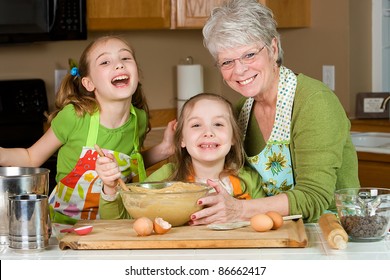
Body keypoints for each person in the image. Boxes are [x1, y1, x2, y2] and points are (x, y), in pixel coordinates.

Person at [190, 0, 359, 224]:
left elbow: (315, 197)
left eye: (249, 55)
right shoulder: (242, 110)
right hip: (277, 231)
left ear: (274, 49)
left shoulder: (314, 102)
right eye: (227, 62)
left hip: (331, 233)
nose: (239, 70)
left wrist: (238, 209)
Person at [0, 35, 175, 224]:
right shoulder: (75, 116)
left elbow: (130, 167)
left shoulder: (138, 119)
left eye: (125, 58)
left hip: (114, 224)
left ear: (137, 73)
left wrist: (164, 149)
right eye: (105, 61)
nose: (119, 65)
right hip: (66, 227)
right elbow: (30, 157)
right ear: (89, 83)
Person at [97, 93, 266, 220]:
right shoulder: (166, 177)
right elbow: (119, 221)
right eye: (196, 125)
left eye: (218, 124)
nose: (208, 132)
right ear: (182, 139)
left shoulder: (249, 179)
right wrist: (110, 188)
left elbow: (265, 220)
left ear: (234, 137)